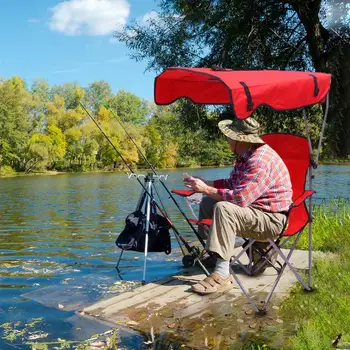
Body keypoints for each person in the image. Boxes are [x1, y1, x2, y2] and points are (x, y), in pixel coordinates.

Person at [183, 117, 293, 294]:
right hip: (257, 213)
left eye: (229, 136)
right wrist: (207, 183)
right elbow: (232, 183)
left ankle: (222, 274)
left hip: (272, 221)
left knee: (223, 208)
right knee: (208, 201)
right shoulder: (246, 156)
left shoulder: (260, 161)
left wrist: (205, 188)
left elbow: (240, 199)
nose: (227, 139)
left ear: (239, 139)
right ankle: (215, 254)